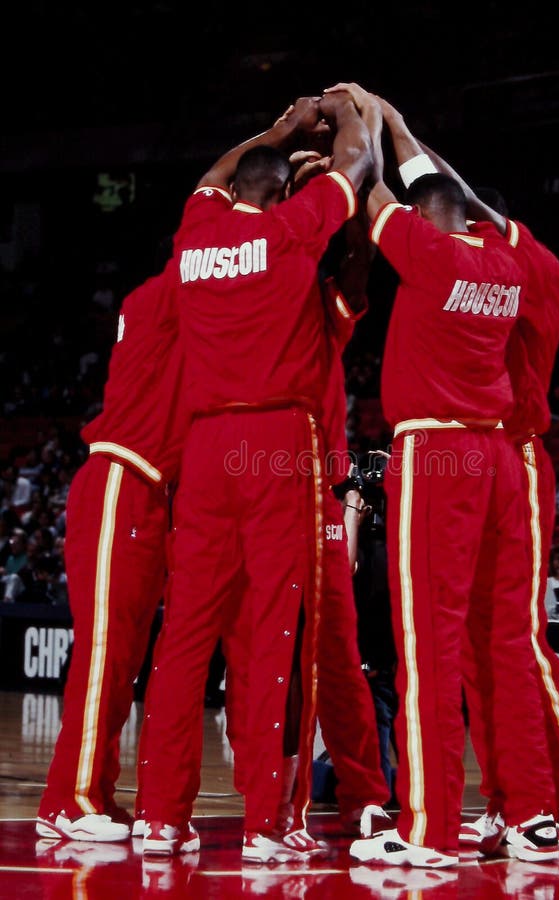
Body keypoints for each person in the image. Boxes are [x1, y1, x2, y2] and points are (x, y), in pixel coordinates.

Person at [354, 85, 559, 861]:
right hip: (500, 451)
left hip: (465, 450)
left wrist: (374, 124)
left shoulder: (436, 251)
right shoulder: (512, 263)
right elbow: (443, 196)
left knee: (442, 644)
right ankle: (529, 809)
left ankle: (439, 823)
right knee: (505, 645)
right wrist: (405, 132)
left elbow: (382, 196)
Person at [137, 93, 375, 861]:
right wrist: (345, 113)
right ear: (280, 196)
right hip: (276, 442)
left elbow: (213, 171)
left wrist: (283, 125)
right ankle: (270, 822)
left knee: (184, 636)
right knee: (280, 626)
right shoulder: (290, 233)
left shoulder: (196, 235)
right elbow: (358, 167)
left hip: (205, 447)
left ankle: (161, 817)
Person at [35, 258, 191, 843]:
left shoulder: (172, 295)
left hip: (151, 489)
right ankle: (67, 800)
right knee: (104, 652)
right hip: (120, 477)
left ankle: (93, 789)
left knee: (123, 658)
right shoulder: (168, 290)